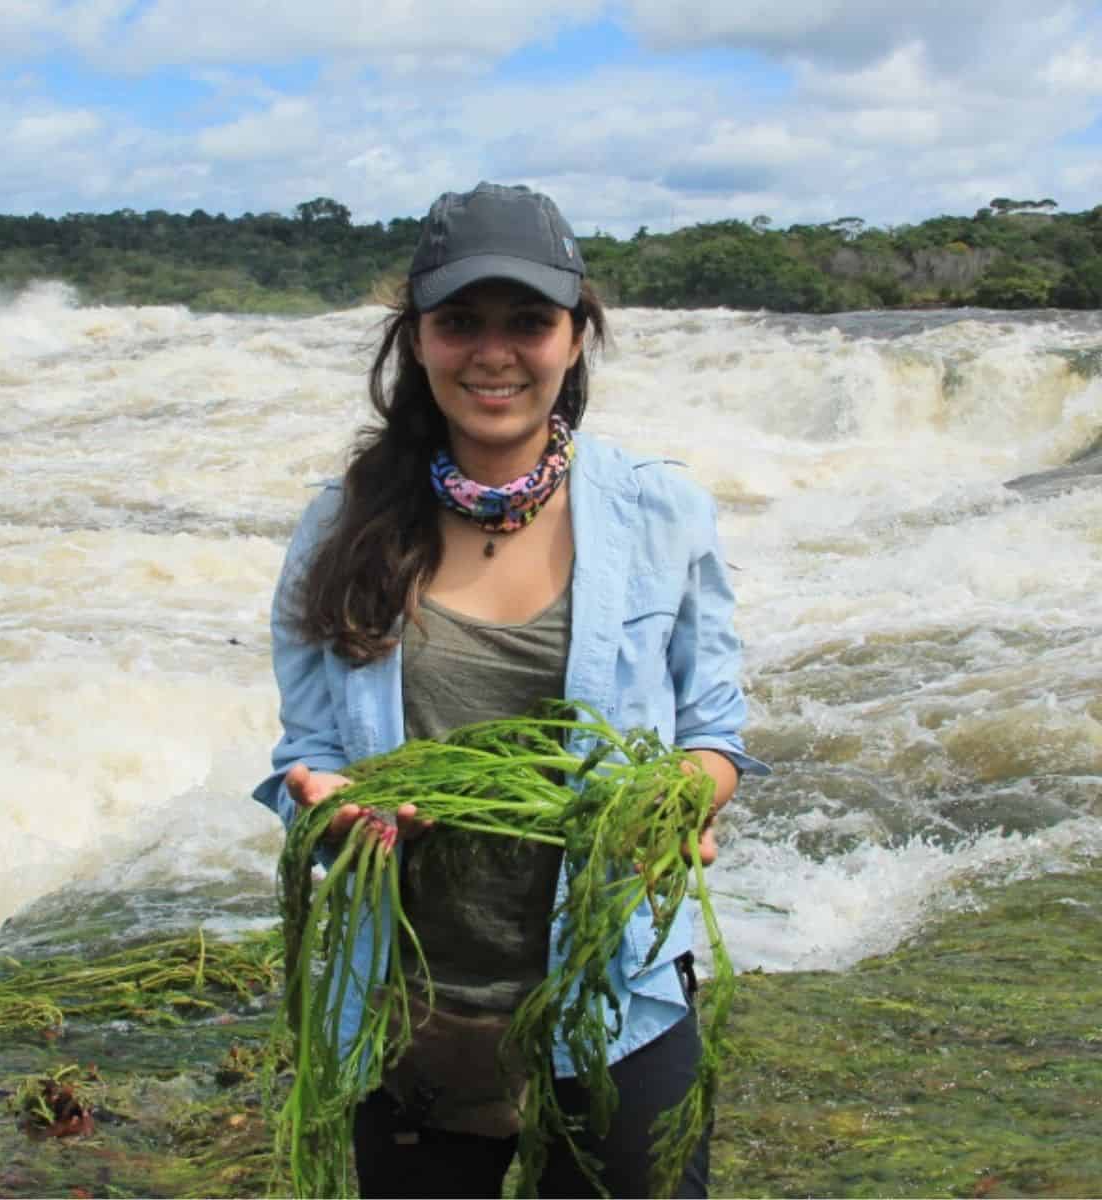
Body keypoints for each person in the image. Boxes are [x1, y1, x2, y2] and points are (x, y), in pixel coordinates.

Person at [253, 181, 766, 1199]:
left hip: (619, 997)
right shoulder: (342, 524)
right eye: (460, 324)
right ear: (418, 340)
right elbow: (304, 756)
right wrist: (326, 804)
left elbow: (715, 733)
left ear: (576, 337)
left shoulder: (663, 512)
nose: (494, 354)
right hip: (409, 1009)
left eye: (528, 321)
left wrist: (676, 802)